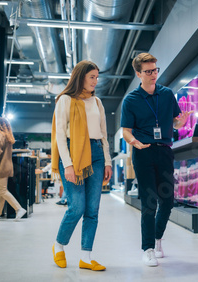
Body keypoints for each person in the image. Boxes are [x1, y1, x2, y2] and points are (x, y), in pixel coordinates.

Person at [120, 53, 192, 267]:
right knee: (149, 202)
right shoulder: (131, 100)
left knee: (168, 201)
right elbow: (125, 131)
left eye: (155, 70)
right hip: (142, 152)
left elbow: (176, 125)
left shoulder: (167, 94)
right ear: (138, 73)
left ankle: (157, 238)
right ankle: (148, 248)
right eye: (148, 71)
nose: (153, 75)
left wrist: (182, 122)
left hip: (165, 151)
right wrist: (134, 142)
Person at [51, 60, 112, 271]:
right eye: (91, 77)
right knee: (76, 207)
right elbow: (60, 135)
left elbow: (103, 134)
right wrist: (67, 165)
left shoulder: (97, 102)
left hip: (96, 153)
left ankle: (86, 256)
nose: (95, 81)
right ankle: (59, 245)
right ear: (81, 77)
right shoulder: (65, 100)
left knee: (92, 210)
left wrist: (107, 161)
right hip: (73, 154)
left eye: (97, 77)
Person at [0, 117, 27, 221]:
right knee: (2, 191)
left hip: (0, 168)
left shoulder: (0, 136)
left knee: (3, 191)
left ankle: (19, 209)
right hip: (7, 167)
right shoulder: (8, 136)